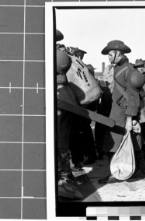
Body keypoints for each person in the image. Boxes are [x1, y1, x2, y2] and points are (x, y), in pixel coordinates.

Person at [98, 40, 145, 183]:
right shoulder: (119, 68)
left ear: (118, 54)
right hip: (117, 109)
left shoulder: (129, 70)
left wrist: (130, 118)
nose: (108, 57)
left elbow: (133, 97)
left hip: (124, 112)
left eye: (110, 54)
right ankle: (130, 170)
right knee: (120, 140)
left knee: (119, 140)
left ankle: (119, 171)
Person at [56, 47, 83, 200]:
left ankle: (63, 181)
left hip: (60, 101)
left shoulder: (55, 55)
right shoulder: (63, 56)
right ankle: (65, 178)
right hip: (66, 98)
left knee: (59, 142)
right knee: (63, 142)